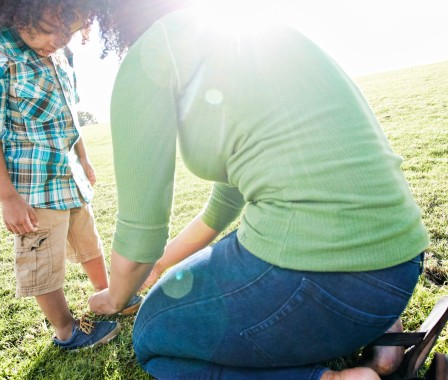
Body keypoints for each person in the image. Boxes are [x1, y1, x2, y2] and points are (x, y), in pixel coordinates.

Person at [87, 0, 429, 378]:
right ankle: (383, 335)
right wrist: (164, 266)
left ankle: (335, 377)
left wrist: (114, 298)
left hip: (325, 281)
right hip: (400, 268)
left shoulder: (153, 52)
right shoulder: (263, 37)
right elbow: (223, 205)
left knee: (153, 337)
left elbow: (139, 240)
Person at [0, 0, 141, 351]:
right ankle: (67, 331)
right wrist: (8, 198)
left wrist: (84, 159)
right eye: (51, 28)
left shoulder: (61, 55)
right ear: (18, 10)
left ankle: (114, 295)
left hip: (68, 177)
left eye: (69, 31)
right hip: (31, 188)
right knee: (41, 263)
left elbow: (71, 113)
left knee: (89, 243)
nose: (60, 40)